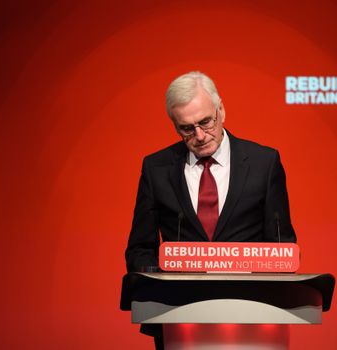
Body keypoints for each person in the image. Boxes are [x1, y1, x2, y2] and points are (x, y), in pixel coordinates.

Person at [125, 71, 296, 348]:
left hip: (251, 320)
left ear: (221, 110)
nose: (200, 136)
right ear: (175, 126)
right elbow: (139, 250)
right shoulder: (156, 169)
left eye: (206, 121)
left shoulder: (264, 163)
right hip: (178, 322)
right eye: (187, 129)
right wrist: (162, 283)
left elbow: (282, 245)